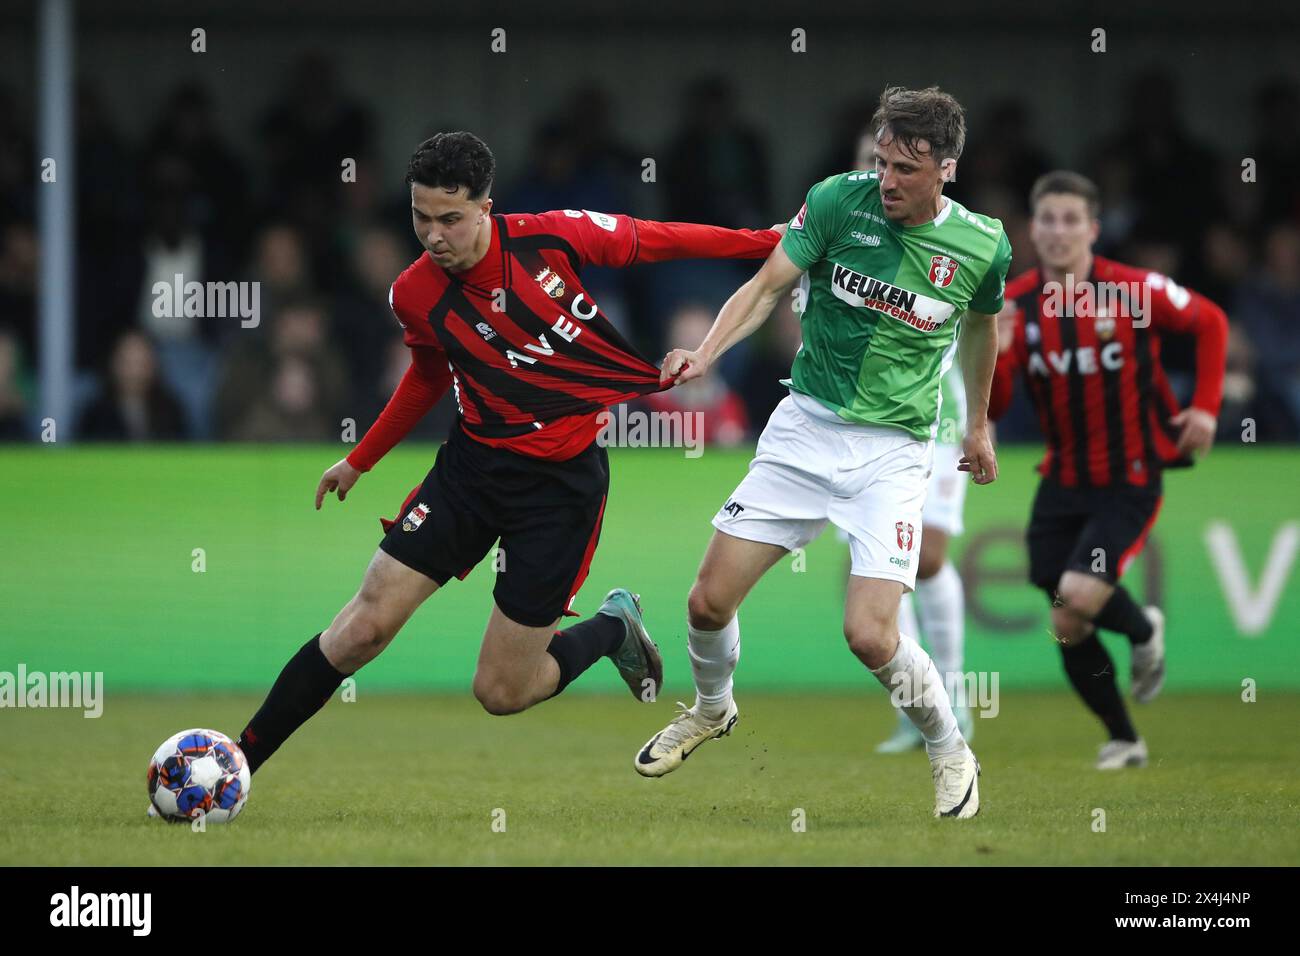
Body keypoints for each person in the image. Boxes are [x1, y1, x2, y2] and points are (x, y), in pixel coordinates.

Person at [219, 131, 781, 783]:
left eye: (450, 219)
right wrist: (361, 459)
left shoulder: (551, 238)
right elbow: (428, 374)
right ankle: (236, 763)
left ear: (487, 208)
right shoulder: (414, 294)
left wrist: (770, 243)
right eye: (420, 218)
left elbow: (657, 239)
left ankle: (611, 628)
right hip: (471, 471)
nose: (433, 236)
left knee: (501, 692)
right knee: (362, 629)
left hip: (559, 491)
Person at [635, 87, 1012, 819]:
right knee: (707, 602)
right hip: (805, 428)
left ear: (947, 168)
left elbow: (981, 328)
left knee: (869, 634)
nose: (888, 180)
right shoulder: (838, 201)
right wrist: (706, 352)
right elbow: (767, 284)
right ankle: (713, 709)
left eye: (906, 166)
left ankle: (948, 745)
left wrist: (978, 428)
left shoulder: (983, 244)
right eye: (881, 161)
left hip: (896, 450)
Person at [988, 170, 1228, 769]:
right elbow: (996, 405)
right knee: (1066, 622)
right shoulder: (1012, 305)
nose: (1059, 231)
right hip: (1062, 479)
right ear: (1032, 229)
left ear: (1092, 229)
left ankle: (1144, 632)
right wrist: (997, 351)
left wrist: (1205, 406)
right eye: (1048, 219)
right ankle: (1125, 737)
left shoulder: (1133, 290)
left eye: (1072, 220)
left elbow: (1210, 323)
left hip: (1130, 475)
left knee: (1075, 593)